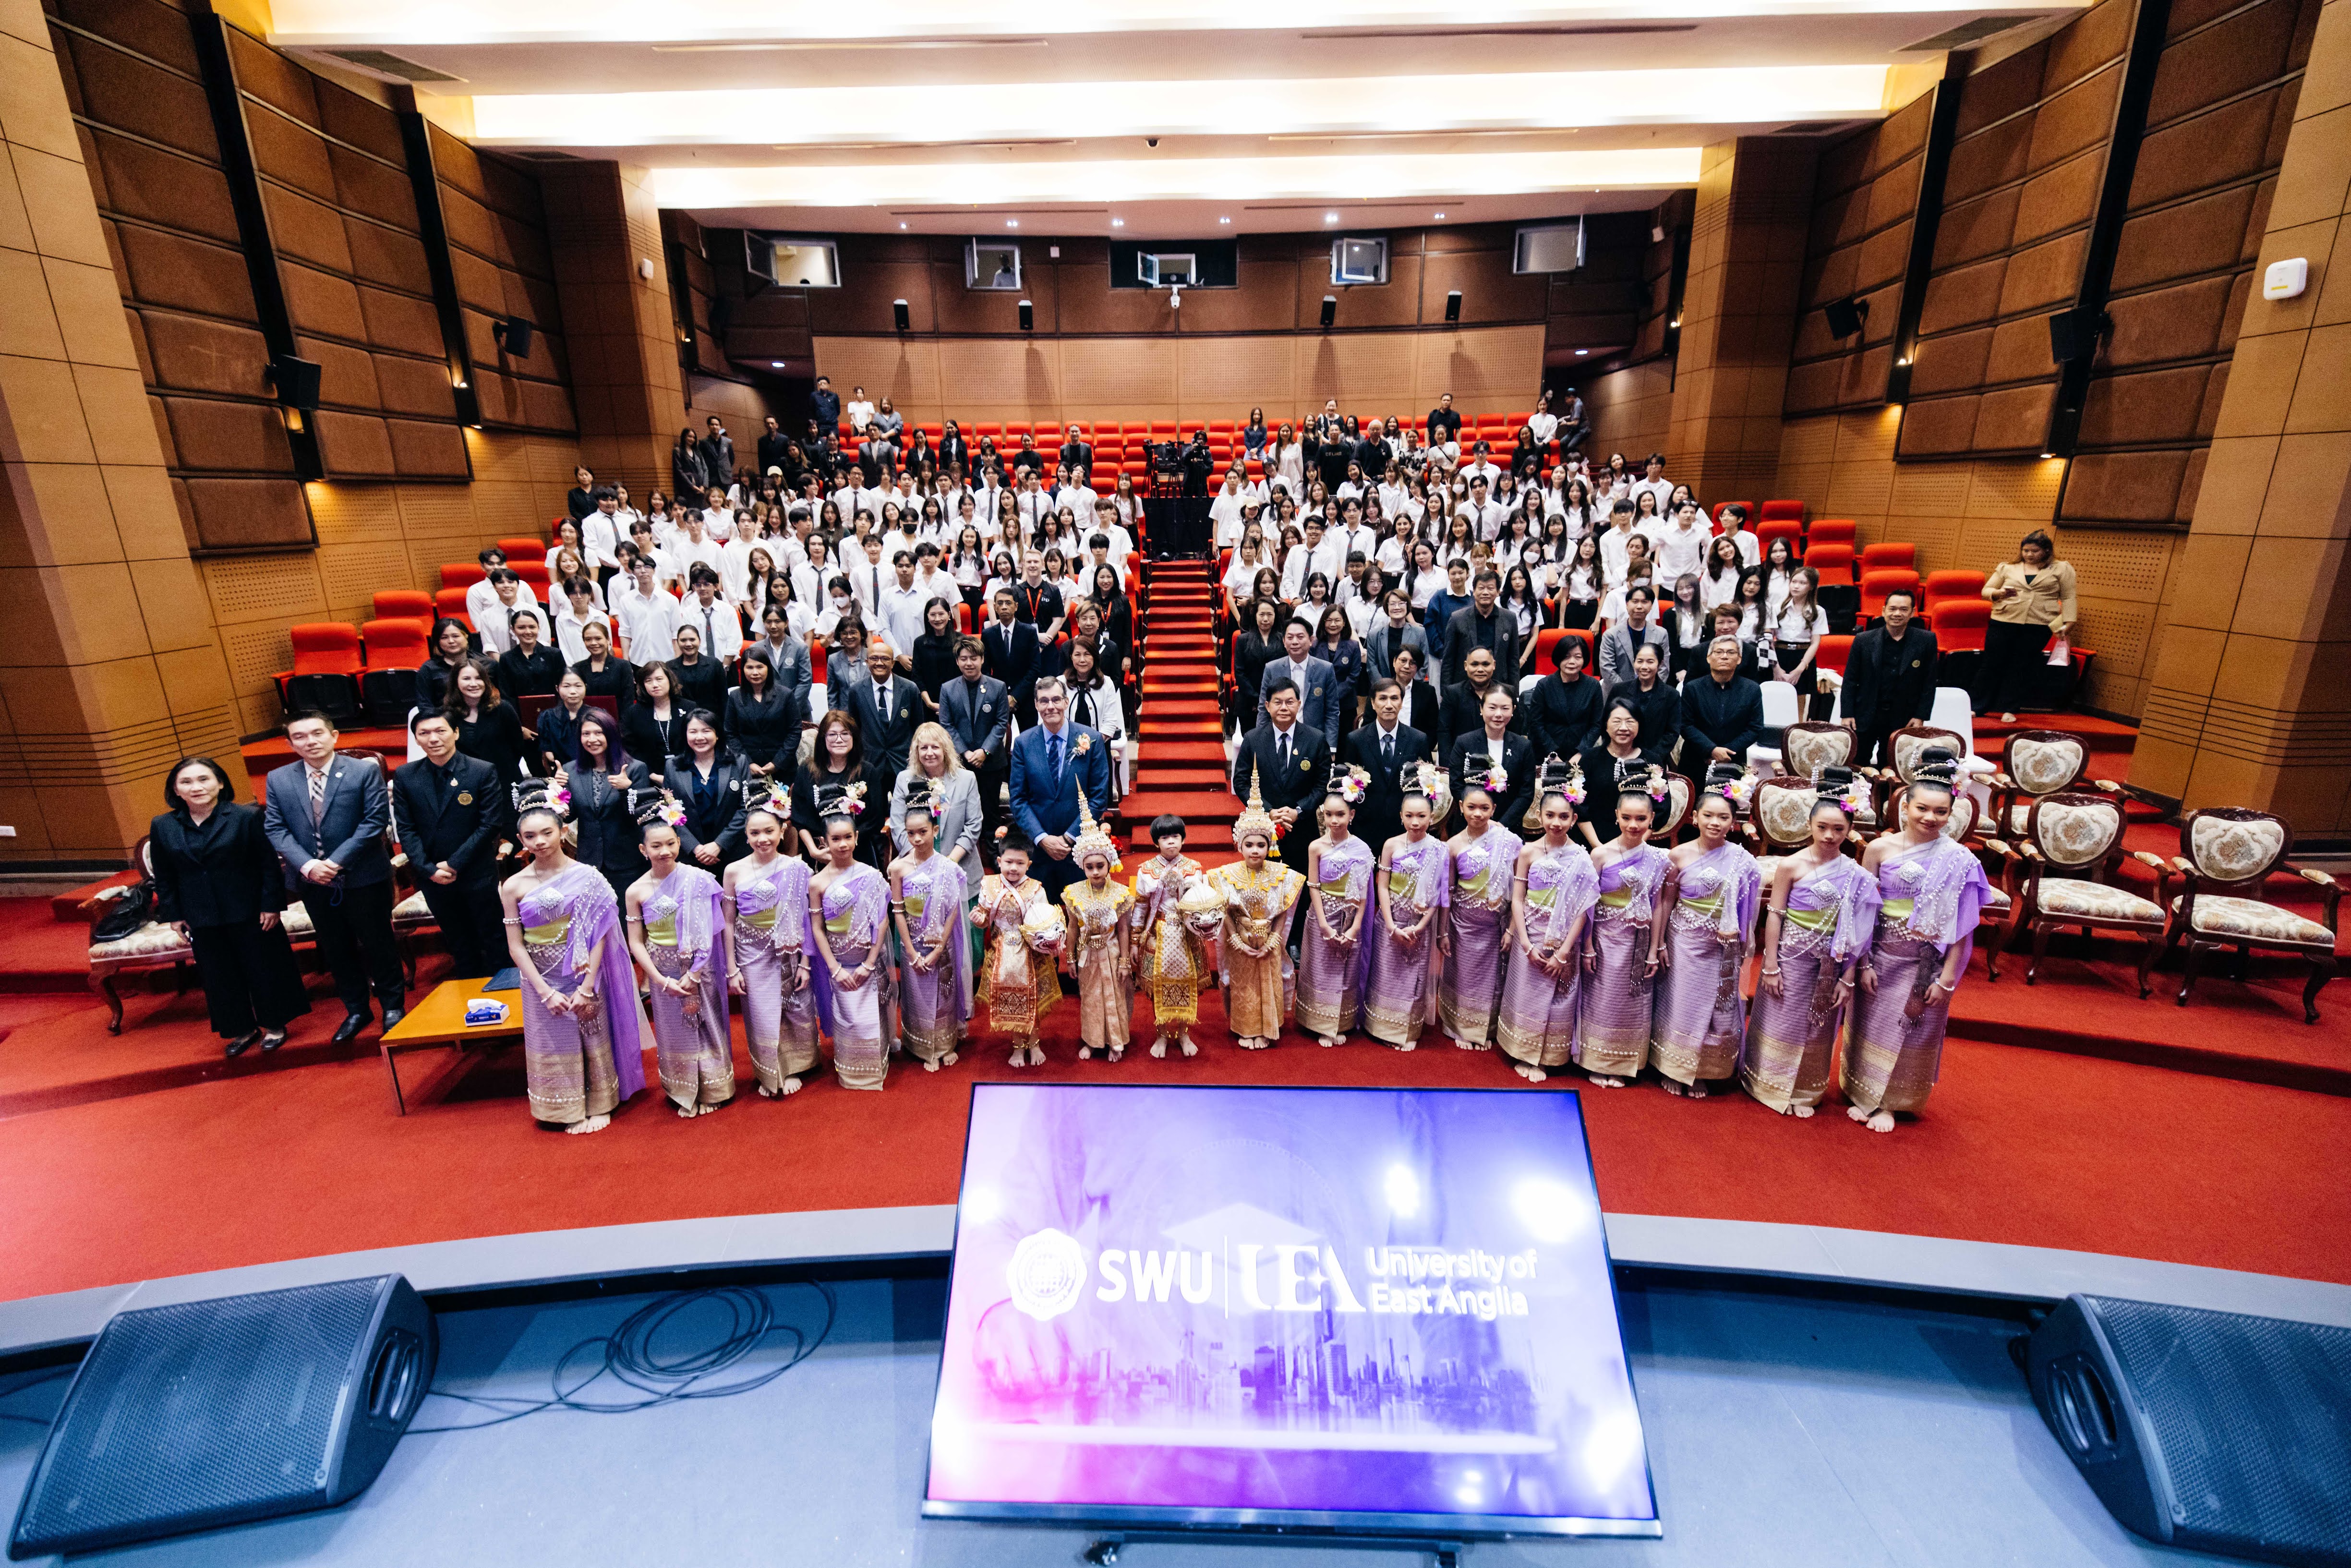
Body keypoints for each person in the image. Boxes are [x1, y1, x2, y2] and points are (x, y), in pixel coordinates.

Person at [1846, 752, 1991, 1132]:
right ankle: (1864, 1092)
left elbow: (1963, 928)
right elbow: (1864, 912)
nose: (1930, 818)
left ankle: (1891, 1104)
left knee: (1909, 1033)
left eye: (1940, 812)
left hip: (1926, 965)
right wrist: (1863, 963)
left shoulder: (1959, 860)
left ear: (1951, 814)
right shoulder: (1878, 850)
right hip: (1881, 958)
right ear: (1904, 806)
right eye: (1922, 809)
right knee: (1872, 1027)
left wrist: (1947, 980)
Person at [500, 782, 648, 1134]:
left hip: (584, 971)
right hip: (540, 977)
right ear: (520, 840)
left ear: (563, 830)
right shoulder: (513, 886)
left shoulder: (588, 877)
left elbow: (601, 935)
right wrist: (544, 992)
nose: (540, 842)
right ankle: (562, 1107)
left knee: (592, 1031)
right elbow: (516, 946)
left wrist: (588, 984)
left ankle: (601, 1103)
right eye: (530, 836)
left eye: (547, 833)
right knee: (552, 1039)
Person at [151, 756, 310, 1057]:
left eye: (204, 779)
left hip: (250, 908)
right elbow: (165, 874)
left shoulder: (246, 817)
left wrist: (271, 905)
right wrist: (174, 914)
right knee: (219, 975)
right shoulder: (163, 825)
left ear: (220, 783)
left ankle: (274, 1025)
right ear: (176, 790)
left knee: (263, 968)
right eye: (186, 782)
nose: (197, 787)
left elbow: (268, 865)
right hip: (200, 913)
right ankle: (242, 1029)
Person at [1742, 773, 1879, 1117]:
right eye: (1822, 827)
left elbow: (1859, 931)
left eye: (1838, 829)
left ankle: (1805, 1089)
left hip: (1831, 963)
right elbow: (1775, 915)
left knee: (1819, 1025)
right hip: (1790, 957)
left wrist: (1848, 977)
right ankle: (1768, 1084)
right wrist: (1770, 964)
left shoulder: (1856, 874)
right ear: (1810, 825)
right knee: (1782, 1018)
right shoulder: (1791, 865)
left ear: (1850, 829)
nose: (1829, 835)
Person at [262, 713, 403, 1043]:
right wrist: (307, 865)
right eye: (300, 737)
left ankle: (393, 1006)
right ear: (290, 743)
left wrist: (336, 862)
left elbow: (374, 821)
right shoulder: (279, 778)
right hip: (313, 881)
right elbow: (275, 828)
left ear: (334, 735)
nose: (310, 741)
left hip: (363, 876)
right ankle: (356, 1009)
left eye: (317, 733)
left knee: (378, 943)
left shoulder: (363, 770)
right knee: (336, 948)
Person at [1650, 766, 1763, 1098]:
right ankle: (1674, 1067)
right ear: (1695, 817)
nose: (1715, 823)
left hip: (1722, 945)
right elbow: (1665, 902)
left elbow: (1747, 907)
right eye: (1708, 816)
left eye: (1723, 817)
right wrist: (1659, 943)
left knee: (1717, 1005)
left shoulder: (1742, 860)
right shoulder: (1678, 855)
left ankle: (1705, 1069)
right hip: (1684, 940)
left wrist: (1741, 942)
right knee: (1683, 1001)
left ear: (1733, 822)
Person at [625, 807, 735, 1119]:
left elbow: (714, 929)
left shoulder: (698, 880)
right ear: (643, 850)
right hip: (663, 972)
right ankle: (682, 1091)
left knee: (708, 1024)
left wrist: (696, 972)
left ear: (679, 843)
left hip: (702, 967)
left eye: (671, 843)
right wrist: (659, 980)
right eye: (656, 846)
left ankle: (715, 1089)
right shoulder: (635, 891)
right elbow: (636, 941)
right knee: (674, 1030)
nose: (665, 851)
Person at [1497, 763, 1599, 1081]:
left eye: (1564, 817)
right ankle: (1524, 1052)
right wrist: (1525, 942)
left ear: (1574, 819)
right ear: (1539, 816)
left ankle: (1549, 1056)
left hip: (1564, 940)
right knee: (1527, 993)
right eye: (1550, 815)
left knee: (1557, 998)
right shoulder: (1528, 852)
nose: (1556, 822)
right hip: (1531, 934)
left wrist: (1565, 952)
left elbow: (1583, 909)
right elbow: (1517, 899)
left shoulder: (1581, 857)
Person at [391, 710, 511, 978]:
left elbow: (490, 824)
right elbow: (406, 828)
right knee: (457, 942)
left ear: (455, 733)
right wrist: (428, 869)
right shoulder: (406, 775)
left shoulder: (482, 770)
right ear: (416, 739)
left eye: (440, 731)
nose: (433, 739)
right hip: (432, 876)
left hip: (475, 871)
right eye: (424, 733)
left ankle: (504, 987)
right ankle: (468, 988)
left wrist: (454, 863)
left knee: (492, 937)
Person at [1579, 760, 1672, 1086]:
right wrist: (1587, 946)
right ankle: (1596, 1059)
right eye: (1627, 818)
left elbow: (1659, 905)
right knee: (1603, 998)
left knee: (1633, 1000)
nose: (1634, 825)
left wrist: (1654, 948)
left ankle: (1623, 1062)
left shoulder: (1660, 859)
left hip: (1638, 941)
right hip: (1605, 939)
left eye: (1641, 819)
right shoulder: (1600, 855)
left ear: (1652, 819)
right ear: (1617, 816)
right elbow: (1587, 906)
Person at [723, 799, 820, 1098]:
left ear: (782, 831)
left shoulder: (798, 869)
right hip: (750, 953)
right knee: (762, 1013)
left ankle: (795, 1065)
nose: (762, 839)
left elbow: (809, 919)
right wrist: (731, 969)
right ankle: (771, 1070)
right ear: (746, 836)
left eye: (769, 831)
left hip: (791, 951)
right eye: (755, 833)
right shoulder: (733, 871)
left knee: (796, 1009)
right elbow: (728, 921)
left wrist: (806, 963)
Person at [808, 786, 895, 1090]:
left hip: (868, 963)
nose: (843, 844)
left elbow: (882, 921)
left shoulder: (871, 875)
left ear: (857, 838)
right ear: (824, 842)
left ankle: (875, 1067)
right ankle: (850, 1071)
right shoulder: (817, 883)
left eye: (848, 837)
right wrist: (834, 969)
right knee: (847, 1018)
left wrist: (869, 964)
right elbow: (817, 928)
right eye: (836, 839)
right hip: (839, 965)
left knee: (871, 1019)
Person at [1212, 773, 1304, 1050]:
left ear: (1270, 845)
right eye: (1249, 845)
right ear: (1239, 845)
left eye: (1261, 845)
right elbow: (1225, 913)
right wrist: (1235, 940)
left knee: (1269, 981)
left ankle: (1267, 1028)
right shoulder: (1224, 875)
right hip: (1240, 940)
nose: (1255, 851)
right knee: (1243, 984)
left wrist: (1274, 940)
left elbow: (1284, 911)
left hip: (1269, 941)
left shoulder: (1282, 874)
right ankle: (1246, 1029)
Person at [888, 780, 973, 1072]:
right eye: (910, 833)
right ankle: (921, 1045)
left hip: (941, 943)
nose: (917, 839)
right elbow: (898, 911)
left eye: (923, 832)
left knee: (943, 994)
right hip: (912, 941)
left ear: (935, 831)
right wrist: (911, 952)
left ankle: (945, 1044)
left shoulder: (949, 868)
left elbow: (953, 912)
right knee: (917, 995)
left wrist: (938, 949)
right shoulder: (898, 868)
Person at [1362, 766, 1447, 1050]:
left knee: (1414, 977)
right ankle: (1381, 1027)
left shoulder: (1440, 849)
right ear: (1401, 816)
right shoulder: (1391, 845)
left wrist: (1421, 926)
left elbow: (1438, 894)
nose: (1415, 822)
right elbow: (1382, 887)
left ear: (1432, 817)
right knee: (1386, 974)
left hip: (1420, 925)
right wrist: (1390, 924)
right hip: (1391, 920)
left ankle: (1408, 1030)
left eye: (1422, 816)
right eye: (1409, 816)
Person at [1007, 675, 1112, 905]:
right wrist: (1042, 838)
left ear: (1066, 702)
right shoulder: (1024, 743)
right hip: (1039, 850)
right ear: (1036, 705)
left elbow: (1098, 797)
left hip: (1080, 850)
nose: (1050, 706)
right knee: (1041, 918)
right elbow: (1018, 799)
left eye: (1056, 700)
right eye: (1044, 701)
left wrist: (1068, 837)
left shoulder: (1091, 739)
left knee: (1082, 915)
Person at [1437, 772, 1521, 1049]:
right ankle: (1462, 1028)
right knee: (1465, 975)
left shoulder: (1509, 841)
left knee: (1494, 977)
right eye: (1471, 807)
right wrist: (1443, 931)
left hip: (1498, 923)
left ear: (1494, 809)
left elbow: (1519, 889)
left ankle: (1489, 1028)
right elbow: (1448, 892)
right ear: (1460, 807)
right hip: (1464, 923)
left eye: (1485, 808)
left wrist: (1512, 929)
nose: (1477, 814)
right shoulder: (1453, 845)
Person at [1231, 677, 1330, 885]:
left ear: (1299, 704)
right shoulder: (1253, 739)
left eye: (1290, 702)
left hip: (1302, 828)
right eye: (1278, 702)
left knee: (1302, 886)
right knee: (1262, 887)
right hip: (1263, 831)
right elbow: (1241, 782)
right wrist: (1268, 811)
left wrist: (1299, 811)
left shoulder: (1316, 739)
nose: (1284, 708)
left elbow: (1322, 785)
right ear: (1267, 706)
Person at [1298, 780, 1373, 1049]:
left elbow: (1363, 893)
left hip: (1351, 917)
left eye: (1340, 814)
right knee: (1322, 970)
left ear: (1352, 814)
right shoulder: (1316, 847)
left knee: (1346, 971)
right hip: (1322, 916)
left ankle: (1342, 1023)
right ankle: (1319, 1023)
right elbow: (1314, 886)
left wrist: (1355, 927)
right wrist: (1323, 925)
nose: (1334, 820)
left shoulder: (1362, 849)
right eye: (1329, 814)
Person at [1058, 796, 1133, 1062]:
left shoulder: (1121, 893)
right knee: (1090, 997)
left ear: (1110, 863)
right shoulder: (1073, 893)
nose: (1095, 872)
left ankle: (1115, 1040)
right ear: (1082, 866)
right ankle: (1092, 1040)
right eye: (1089, 867)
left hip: (1112, 950)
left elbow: (1123, 929)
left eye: (1100, 866)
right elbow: (1072, 927)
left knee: (1115, 995)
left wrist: (1125, 961)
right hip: (1087, 953)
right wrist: (1069, 958)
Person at [976, 832, 1061, 1066]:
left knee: (1032, 998)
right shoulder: (989, 885)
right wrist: (979, 920)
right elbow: (984, 918)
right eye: (1009, 862)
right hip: (1001, 950)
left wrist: (1051, 940)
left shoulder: (1036, 889)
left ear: (1029, 865)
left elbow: (1045, 921)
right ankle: (1017, 1046)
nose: (1014, 868)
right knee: (1010, 1000)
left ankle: (1034, 1043)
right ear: (999, 861)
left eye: (1020, 863)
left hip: (1030, 951)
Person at [1974, 530, 2076, 722]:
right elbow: (1986, 590)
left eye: (2035, 551)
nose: (2029, 554)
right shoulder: (2008, 568)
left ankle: (2009, 709)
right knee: (1991, 663)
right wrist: (1999, 593)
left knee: (2021, 666)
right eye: (2026, 550)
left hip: (2038, 623)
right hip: (2004, 620)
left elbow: (2069, 597)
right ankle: (1978, 706)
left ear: (2047, 551)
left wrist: (2069, 622)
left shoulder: (2061, 569)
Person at [1842, 586, 1940, 766]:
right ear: (1884, 611)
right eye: (1893, 609)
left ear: (1912, 613)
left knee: (1891, 766)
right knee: (1857, 765)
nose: (1897, 614)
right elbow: (1850, 680)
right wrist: (1847, 713)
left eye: (1904, 609)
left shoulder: (1926, 640)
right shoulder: (1863, 640)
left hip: (1903, 717)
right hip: (1865, 714)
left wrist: (1920, 716)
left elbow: (1929, 682)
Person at [1340, 677, 1432, 865]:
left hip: (1405, 827)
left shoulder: (1418, 739)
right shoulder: (1355, 740)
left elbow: (1427, 786)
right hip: (1366, 826)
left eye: (1394, 698)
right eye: (1383, 699)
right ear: (1373, 704)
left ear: (1402, 703)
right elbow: (1347, 787)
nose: (1389, 705)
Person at [937, 636, 1011, 866]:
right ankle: (959, 857)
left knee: (990, 813)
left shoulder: (997, 687)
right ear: (957, 661)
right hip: (960, 763)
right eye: (964, 659)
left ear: (982, 659)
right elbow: (946, 724)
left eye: (974, 658)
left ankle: (993, 858)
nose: (969, 663)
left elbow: (1001, 723)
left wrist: (984, 751)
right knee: (959, 812)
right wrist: (966, 752)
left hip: (990, 763)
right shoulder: (948, 689)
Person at [565, 709, 652, 903]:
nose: (592, 739)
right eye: (586, 734)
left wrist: (626, 790)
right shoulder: (570, 770)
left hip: (626, 860)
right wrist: (558, 793)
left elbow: (640, 816)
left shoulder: (635, 768)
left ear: (611, 735)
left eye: (599, 733)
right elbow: (569, 816)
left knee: (626, 915)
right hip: (589, 860)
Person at [794, 709, 882, 869]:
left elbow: (875, 819)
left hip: (858, 851)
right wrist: (814, 851)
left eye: (845, 734)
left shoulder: (868, 772)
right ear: (823, 739)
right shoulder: (806, 771)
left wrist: (845, 844)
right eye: (832, 735)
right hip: (820, 852)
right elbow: (800, 819)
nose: (839, 740)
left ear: (854, 737)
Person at [1447, 682, 1536, 833]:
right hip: (1470, 824)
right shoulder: (1464, 742)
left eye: (1505, 708)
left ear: (1513, 710)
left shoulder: (1523, 746)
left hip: (1508, 827)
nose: (1498, 714)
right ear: (1481, 709)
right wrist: (1481, 817)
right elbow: (1456, 785)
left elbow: (1526, 793)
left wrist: (1502, 824)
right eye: (1492, 708)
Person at [1679, 636, 1766, 772]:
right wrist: (1711, 750)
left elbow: (1755, 728)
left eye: (1731, 652)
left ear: (1739, 659)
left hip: (1734, 760)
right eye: (1719, 652)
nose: (1724, 657)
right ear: (1709, 658)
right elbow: (1685, 725)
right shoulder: (1693, 688)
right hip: (1696, 759)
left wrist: (1727, 752)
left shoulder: (1752, 689)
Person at [1257, 617, 1340, 750]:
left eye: (1300, 637)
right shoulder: (1272, 669)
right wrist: (1261, 742)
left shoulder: (1325, 669)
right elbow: (1263, 709)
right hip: (1279, 737)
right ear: (1284, 642)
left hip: (1314, 739)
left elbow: (1332, 712)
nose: (1295, 642)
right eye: (1290, 638)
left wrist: (1330, 747)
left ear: (1311, 640)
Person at [845, 637, 921, 781]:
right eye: (874, 658)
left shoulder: (910, 689)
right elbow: (855, 729)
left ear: (893, 663)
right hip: (870, 763)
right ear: (867, 662)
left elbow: (918, 728)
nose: (879, 663)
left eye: (885, 659)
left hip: (903, 763)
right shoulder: (856, 691)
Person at [446, 659, 530, 788]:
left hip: (505, 778)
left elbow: (518, 745)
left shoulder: (503, 708)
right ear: (456, 682)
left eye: (479, 678)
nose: (474, 684)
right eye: (466, 679)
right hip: (467, 782)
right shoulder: (448, 715)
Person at [1528, 634, 1604, 768]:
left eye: (1578, 657)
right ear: (1558, 658)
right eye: (1566, 657)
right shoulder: (1544, 686)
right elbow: (1536, 723)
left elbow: (1597, 724)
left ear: (1585, 659)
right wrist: (1552, 754)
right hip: (1546, 755)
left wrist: (1581, 753)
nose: (1572, 662)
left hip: (1582, 756)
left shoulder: (1593, 686)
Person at [1607, 643, 1681, 767]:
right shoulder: (1619, 690)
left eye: (1650, 662)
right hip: (1619, 758)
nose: (1644, 667)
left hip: (1654, 762)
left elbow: (1672, 733)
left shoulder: (1671, 695)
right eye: (1640, 661)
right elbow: (1607, 722)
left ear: (1660, 663)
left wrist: (1652, 758)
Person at [620, 659, 693, 774]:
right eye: (648, 681)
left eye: (659, 679)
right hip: (649, 775)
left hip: (688, 771)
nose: (655, 685)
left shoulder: (689, 707)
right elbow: (631, 749)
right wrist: (652, 775)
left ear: (669, 680)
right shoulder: (633, 713)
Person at [982, 588, 1042, 724]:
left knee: (1029, 736)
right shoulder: (988, 635)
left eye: (1008, 603)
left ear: (1016, 606)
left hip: (1025, 697)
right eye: (1000, 603)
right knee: (999, 737)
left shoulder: (1029, 632)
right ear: (995, 607)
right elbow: (985, 669)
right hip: (997, 697)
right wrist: (1001, 696)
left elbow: (1035, 668)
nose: (1004, 607)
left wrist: (1015, 697)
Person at [1766, 566, 1828, 698]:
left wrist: (1801, 669)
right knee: (1776, 698)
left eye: (1802, 583)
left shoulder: (1818, 612)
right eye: (1794, 582)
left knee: (1800, 700)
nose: (1796, 586)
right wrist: (1776, 668)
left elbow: (1815, 643)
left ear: (1811, 587)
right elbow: (1769, 640)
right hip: (1780, 656)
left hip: (1803, 656)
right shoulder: (1777, 608)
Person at [1598, 584, 1670, 687]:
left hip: (1651, 692)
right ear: (1627, 605)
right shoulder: (1611, 635)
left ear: (1652, 606)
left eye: (1645, 602)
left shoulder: (1661, 634)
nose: (1639, 606)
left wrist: (1650, 690)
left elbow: (1664, 668)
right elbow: (1607, 669)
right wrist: (1628, 692)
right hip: (1617, 692)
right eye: (1635, 602)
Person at [494, 609, 565, 707]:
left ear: (538, 628)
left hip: (554, 710)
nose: (528, 632)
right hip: (519, 712)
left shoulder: (554, 654)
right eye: (521, 628)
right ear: (513, 630)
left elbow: (563, 686)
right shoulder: (506, 659)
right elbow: (506, 694)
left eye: (532, 627)